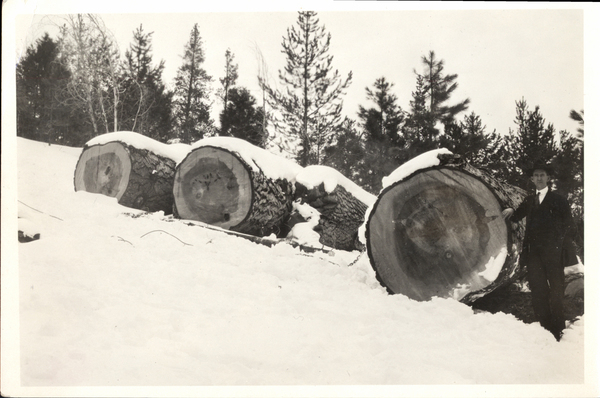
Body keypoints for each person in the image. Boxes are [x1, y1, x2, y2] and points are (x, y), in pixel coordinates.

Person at [502, 163, 577, 341]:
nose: (539, 178)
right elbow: (517, 216)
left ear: (548, 178)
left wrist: (561, 248)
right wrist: (512, 209)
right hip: (534, 254)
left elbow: (569, 226)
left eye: (542, 175)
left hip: (554, 254)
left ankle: (557, 330)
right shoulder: (529, 200)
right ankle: (544, 329)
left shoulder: (559, 200)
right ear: (532, 179)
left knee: (556, 291)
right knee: (538, 291)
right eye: (536, 175)